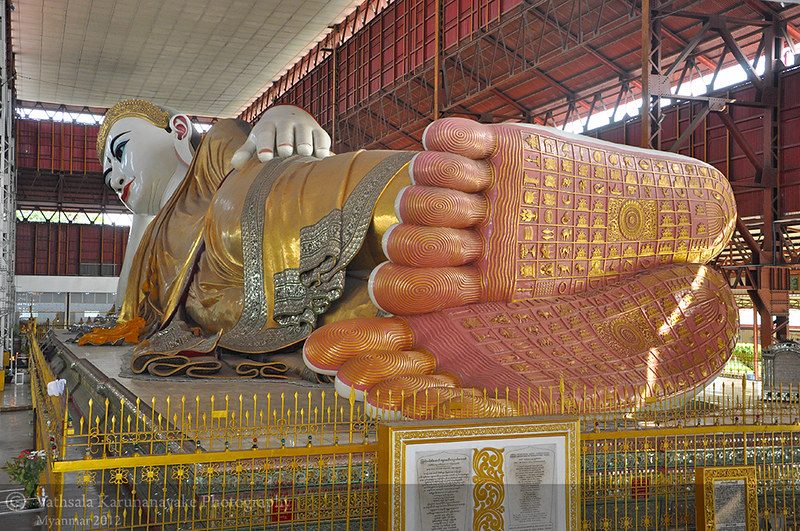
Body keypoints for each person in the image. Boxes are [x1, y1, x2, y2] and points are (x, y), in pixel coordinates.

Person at [81, 99, 739, 417]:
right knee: (372, 315)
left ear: (174, 131)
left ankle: (463, 210)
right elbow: (135, 311)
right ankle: (489, 302)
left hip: (244, 209)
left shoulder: (211, 157)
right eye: (105, 173)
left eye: (118, 151)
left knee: (268, 210)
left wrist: (278, 115)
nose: (113, 177)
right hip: (241, 312)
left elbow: (247, 144)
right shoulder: (147, 256)